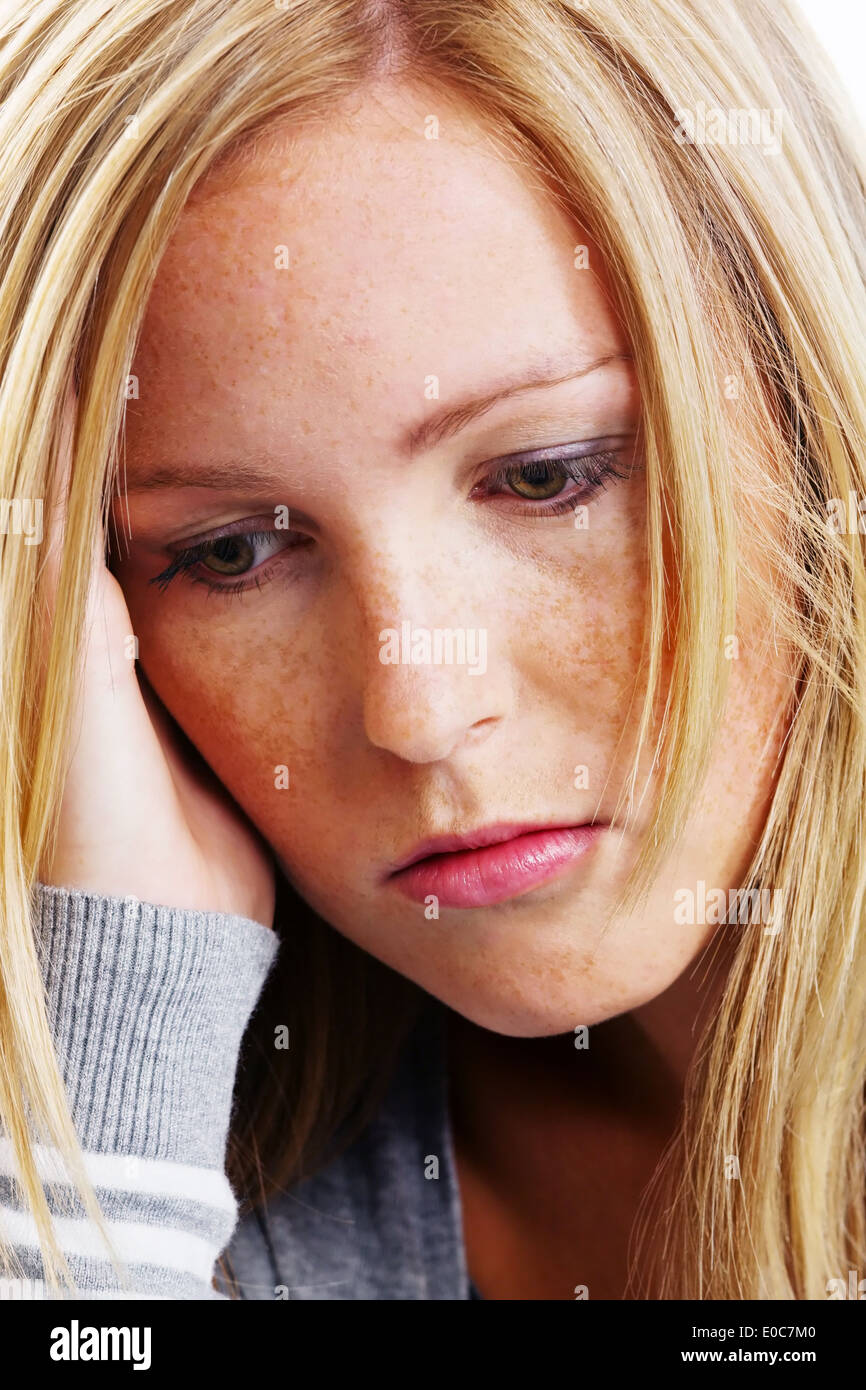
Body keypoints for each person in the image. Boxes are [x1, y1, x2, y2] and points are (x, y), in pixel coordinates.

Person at [1, 0, 865, 1301]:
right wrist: (106, 1094)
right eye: (231, 551)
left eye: (544, 474)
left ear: (811, 415)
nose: (417, 703)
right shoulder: (183, 1142)